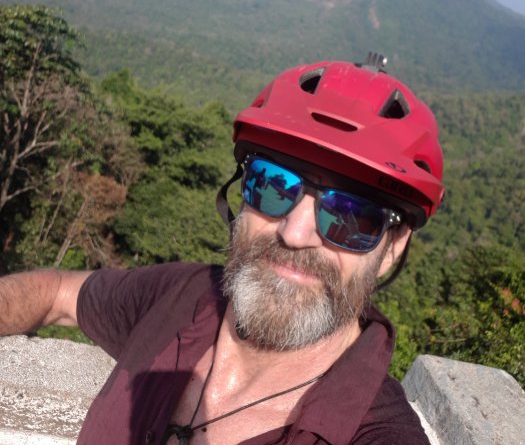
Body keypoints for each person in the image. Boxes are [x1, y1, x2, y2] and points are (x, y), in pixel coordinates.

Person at [0, 55, 444, 444]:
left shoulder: (377, 434)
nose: (294, 234)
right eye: (272, 186)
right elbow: (58, 291)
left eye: (350, 216)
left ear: (392, 248)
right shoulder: (182, 296)